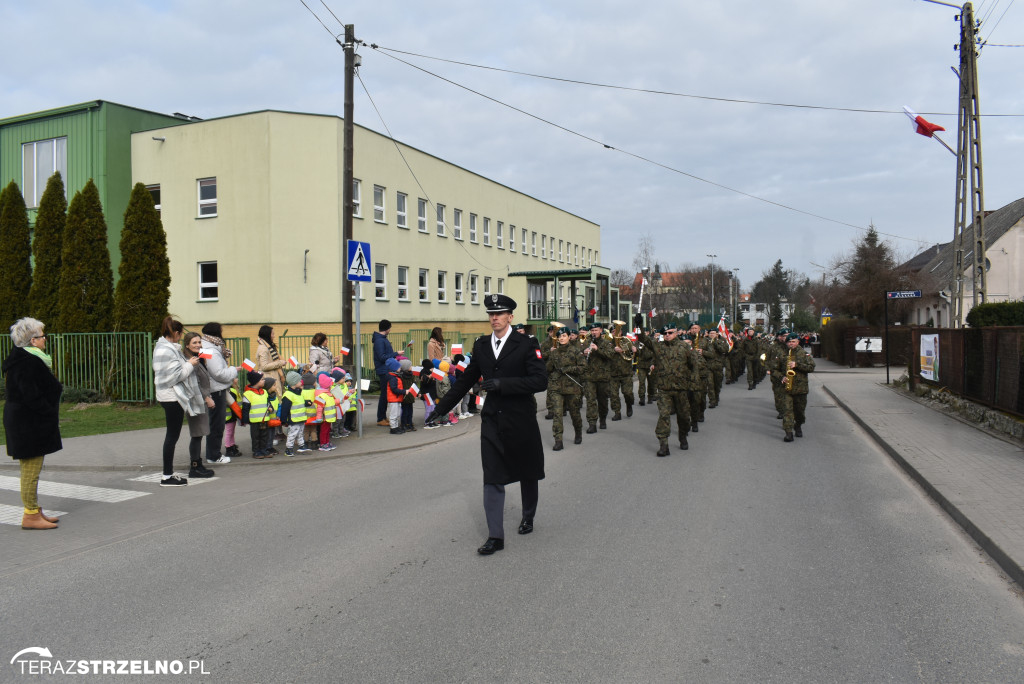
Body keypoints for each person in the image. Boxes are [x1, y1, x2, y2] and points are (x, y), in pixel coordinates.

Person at [426, 294, 547, 555]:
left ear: (510, 317)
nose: (494, 318)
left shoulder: (526, 344)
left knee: (527, 470)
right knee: (492, 475)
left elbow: (540, 381)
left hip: (520, 417)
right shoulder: (481, 346)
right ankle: (496, 536)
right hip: (493, 418)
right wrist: (440, 409)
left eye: (500, 313)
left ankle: (528, 515)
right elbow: (464, 381)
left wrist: (505, 385)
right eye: (491, 314)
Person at [3, 317, 63, 529]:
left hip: (27, 421)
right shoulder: (27, 362)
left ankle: (35, 509)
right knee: (30, 470)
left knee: (32, 469)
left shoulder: (26, 359)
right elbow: (31, 395)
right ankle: (30, 515)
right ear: (32, 341)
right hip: (27, 423)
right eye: (42, 336)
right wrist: (48, 412)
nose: (45, 339)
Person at [152, 316, 207, 485]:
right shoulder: (167, 350)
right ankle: (167, 476)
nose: (180, 338)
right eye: (180, 334)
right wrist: (190, 364)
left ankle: (168, 474)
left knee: (172, 436)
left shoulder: (164, 348)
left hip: (168, 396)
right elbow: (175, 376)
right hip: (171, 397)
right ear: (175, 333)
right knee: (172, 436)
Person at [637, 322, 697, 457]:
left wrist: (693, 385)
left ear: (676, 333)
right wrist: (639, 325)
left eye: (670, 333)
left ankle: (682, 436)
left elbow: (694, 366)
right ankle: (664, 445)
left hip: (681, 388)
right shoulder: (658, 347)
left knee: (683, 417)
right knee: (664, 415)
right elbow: (643, 339)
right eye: (665, 334)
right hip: (664, 389)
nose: (667, 335)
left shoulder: (684, 347)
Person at [199, 322, 240, 464]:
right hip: (216, 390)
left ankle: (213, 453)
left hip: (215, 388)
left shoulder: (209, 347)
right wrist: (234, 370)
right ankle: (213, 455)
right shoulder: (209, 350)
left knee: (215, 423)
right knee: (217, 424)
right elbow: (218, 373)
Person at [181, 332, 217, 479]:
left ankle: (198, 464)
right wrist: (206, 397)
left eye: (199, 342)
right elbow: (194, 382)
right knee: (197, 433)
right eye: (194, 343)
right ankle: (195, 467)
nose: (198, 345)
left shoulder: (199, 357)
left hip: (200, 400)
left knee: (200, 433)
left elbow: (212, 358)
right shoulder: (191, 361)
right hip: (196, 401)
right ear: (187, 344)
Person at [545, 326, 586, 449]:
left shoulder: (575, 351)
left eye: (564, 336)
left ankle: (578, 433)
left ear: (568, 337)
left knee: (574, 414)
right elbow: (548, 369)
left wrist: (568, 369)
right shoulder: (555, 352)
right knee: (557, 414)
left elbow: (583, 367)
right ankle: (558, 440)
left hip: (572, 387)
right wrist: (549, 361)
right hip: (556, 387)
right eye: (559, 336)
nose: (561, 338)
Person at [772, 332, 816, 442]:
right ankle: (788, 433)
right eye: (789, 342)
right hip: (786, 388)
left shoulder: (804, 354)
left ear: (797, 342)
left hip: (801, 389)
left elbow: (811, 368)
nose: (791, 344)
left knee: (800, 412)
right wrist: (781, 377)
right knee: (787, 411)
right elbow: (774, 370)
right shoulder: (782, 355)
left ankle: (798, 425)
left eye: (793, 341)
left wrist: (797, 365)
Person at [373, 320, 406, 426]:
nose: (390, 330)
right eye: (389, 328)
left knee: (386, 394)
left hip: (386, 369)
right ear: (386, 328)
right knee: (384, 394)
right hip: (383, 370)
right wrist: (396, 353)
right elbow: (382, 357)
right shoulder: (379, 341)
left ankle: (383, 417)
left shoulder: (381, 339)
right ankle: (380, 418)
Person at [583, 322, 614, 433]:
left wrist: (597, 350)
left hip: (603, 377)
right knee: (590, 401)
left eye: (596, 330)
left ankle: (603, 419)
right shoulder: (586, 342)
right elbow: (579, 357)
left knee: (603, 401)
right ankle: (592, 423)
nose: (594, 332)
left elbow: (610, 356)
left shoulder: (606, 343)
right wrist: (584, 353)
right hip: (589, 377)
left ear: (601, 330)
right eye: (592, 331)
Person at [241, 370, 275, 459]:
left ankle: (263, 449)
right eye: (262, 379)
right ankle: (256, 451)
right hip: (254, 420)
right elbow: (245, 408)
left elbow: (268, 403)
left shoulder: (265, 392)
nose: (264, 381)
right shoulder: (248, 394)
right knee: (256, 437)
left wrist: (271, 408)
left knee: (264, 436)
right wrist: (245, 420)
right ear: (256, 382)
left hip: (264, 419)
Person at [280, 371, 313, 456]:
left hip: (300, 418)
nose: (301, 382)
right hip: (294, 419)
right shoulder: (288, 395)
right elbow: (285, 409)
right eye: (299, 381)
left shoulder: (298, 393)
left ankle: (301, 446)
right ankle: (289, 449)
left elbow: (300, 403)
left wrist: (307, 402)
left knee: (300, 433)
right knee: (292, 434)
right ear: (294, 383)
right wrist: (283, 420)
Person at [608, 327, 636, 420]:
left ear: (621, 332)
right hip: (612, 373)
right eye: (613, 331)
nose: (615, 333)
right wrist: (613, 350)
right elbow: (603, 354)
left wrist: (634, 350)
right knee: (613, 394)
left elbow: (635, 353)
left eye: (617, 331)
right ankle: (617, 412)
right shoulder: (608, 343)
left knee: (627, 393)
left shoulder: (626, 341)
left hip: (626, 372)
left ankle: (629, 404)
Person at [384, 358, 407, 435]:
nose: (400, 368)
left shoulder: (395, 377)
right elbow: (394, 389)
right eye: (399, 367)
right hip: (394, 399)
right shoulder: (393, 378)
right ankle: (393, 428)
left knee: (397, 414)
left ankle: (396, 427)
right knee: (394, 414)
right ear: (394, 368)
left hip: (397, 398)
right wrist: (404, 391)